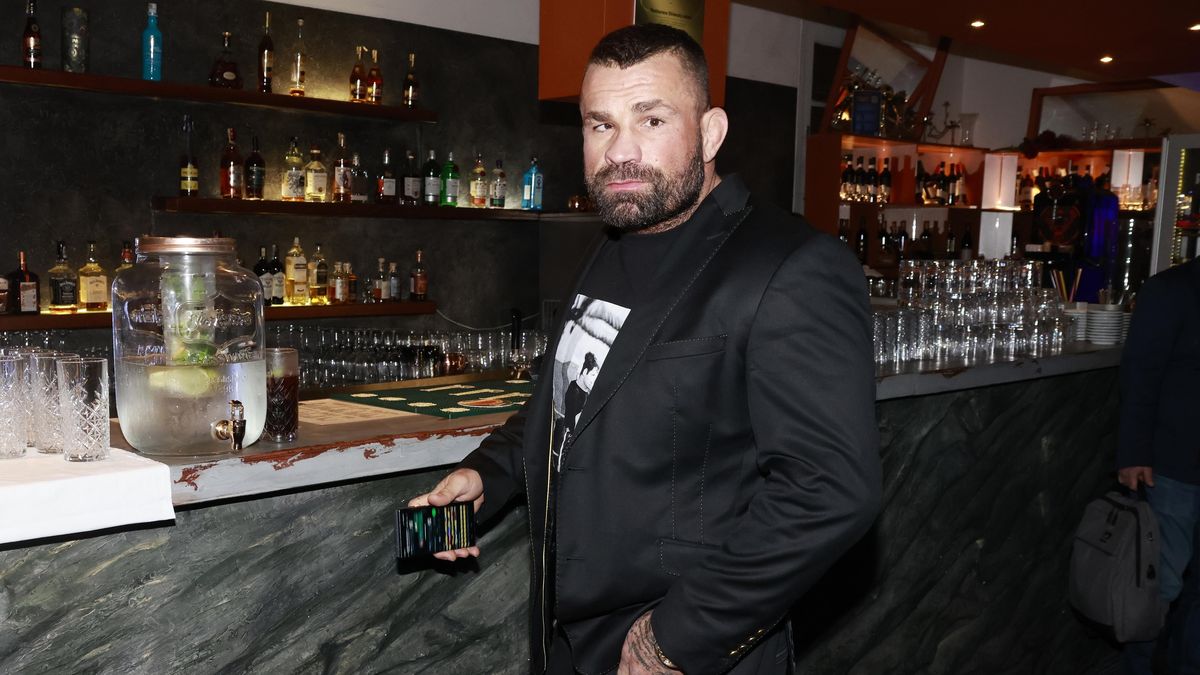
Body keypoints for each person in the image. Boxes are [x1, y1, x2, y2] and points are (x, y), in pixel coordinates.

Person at [410, 24, 881, 675]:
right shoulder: (615, 241)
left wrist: (676, 638)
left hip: (674, 652)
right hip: (569, 644)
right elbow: (566, 404)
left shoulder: (791, 265)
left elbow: (829, 491)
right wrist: (484, 479)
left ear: (711, 133)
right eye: (600, 125)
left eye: (651, 119)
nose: (620, 151)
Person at [1118, 257, 1200, 674]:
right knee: (1158, 592)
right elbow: (1140, 375)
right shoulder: (1170, 289)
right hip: (1173, 468)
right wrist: (1133, 454)